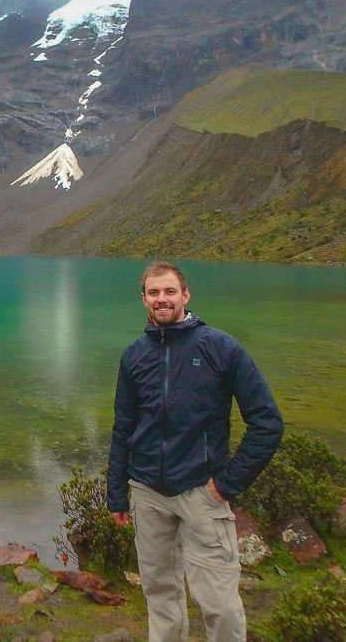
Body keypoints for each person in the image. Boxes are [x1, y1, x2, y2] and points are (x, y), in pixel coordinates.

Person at [106, 261, 283, 642]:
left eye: (170, 291)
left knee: (218, 602)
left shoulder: (221, 348)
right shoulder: (134, 356)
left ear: (185, 296)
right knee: (160, 595)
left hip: (202, 492)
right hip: (147, 492)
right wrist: (117, 491)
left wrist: (226, 485)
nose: (162, 299)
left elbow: (267, 422)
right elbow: (123, 428)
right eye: (154, 293)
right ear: (144, 300)